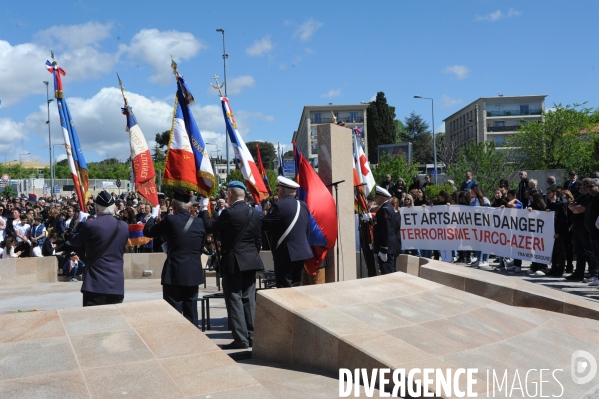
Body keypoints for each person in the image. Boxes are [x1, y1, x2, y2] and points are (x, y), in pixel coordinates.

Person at [201, 181, 264, 349]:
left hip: (234, 261)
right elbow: (258, 241)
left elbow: (210, 227)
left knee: (234, 299)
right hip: (251, 261)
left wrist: (203, 209)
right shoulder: (254, 212)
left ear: (230, 193)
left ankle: (241, 339)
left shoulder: (229, 213)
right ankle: (252, 336)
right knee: (248, 299)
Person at [143, 188, 206, 325]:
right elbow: (201, 247)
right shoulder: (199, 222)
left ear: (174, 205)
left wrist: (153, 215)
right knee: (191, 312)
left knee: (174, 313)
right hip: (193, 270)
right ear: (189, 205)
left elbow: (148, 232)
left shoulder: (170, 220)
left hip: (174, 271)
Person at [68, 190, 129, 307]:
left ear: (96, 208)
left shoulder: (90, 225)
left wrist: (79, 223)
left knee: (94, 322)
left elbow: (74, 241)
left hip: (95, 284)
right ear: (113, 207)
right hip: (116, 284)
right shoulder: (124, 226)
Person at [262, 176, 312, 287]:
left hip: (285, 253)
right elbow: (307, 229)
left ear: (282, 191)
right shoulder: (303, 205)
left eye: (278, 189)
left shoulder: (278, 206)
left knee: (284, 287)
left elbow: (264, 224)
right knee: (296, 284)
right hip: (301, 251)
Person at [366, 186, 397, 275]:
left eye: (377, 197)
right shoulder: (387, 207)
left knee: (387, 274)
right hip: (387, 247)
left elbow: (386, 230)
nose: (375, 199)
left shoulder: (384, 209)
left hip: (385, 248)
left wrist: (383, 249)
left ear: (382, 197)